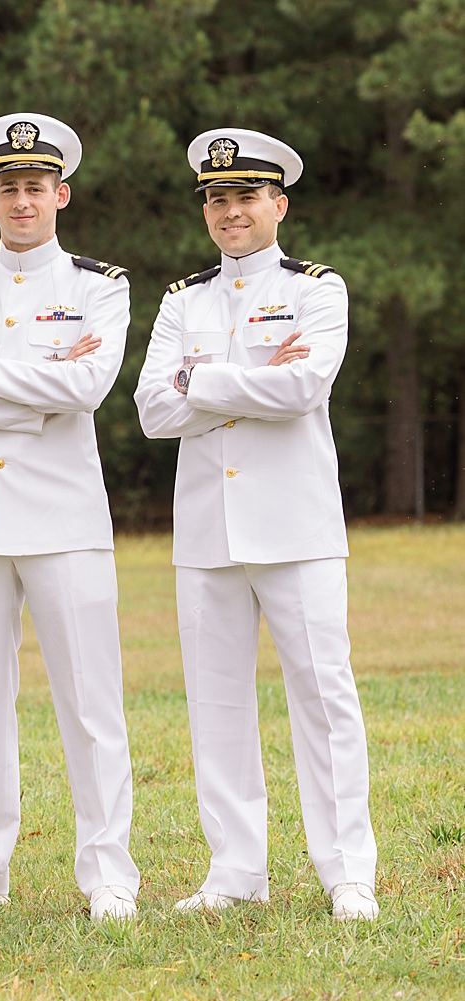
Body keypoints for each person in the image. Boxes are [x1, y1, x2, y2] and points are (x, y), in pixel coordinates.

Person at [134, 129, 378, 922]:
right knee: (216, 701)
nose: (230, 211)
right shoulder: (182, 300)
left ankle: (347, 871)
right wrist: (246, 381)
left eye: (245, 197)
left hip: (296, 524)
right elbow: (151, 409)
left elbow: (304, 387)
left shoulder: (318, 288)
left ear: (279, 203)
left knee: (323, 694)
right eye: (216, 198)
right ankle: (236, 869)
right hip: (207, 530)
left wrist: (200, 379)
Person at [0, 113, 140, 923]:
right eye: (8, 187)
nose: (22, 200)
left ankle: (108, 872)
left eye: (35, 187)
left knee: (90, 703)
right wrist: (37, 371)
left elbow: (87, 389)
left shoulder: (99, 286)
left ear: (61, 194)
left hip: (64, 519)